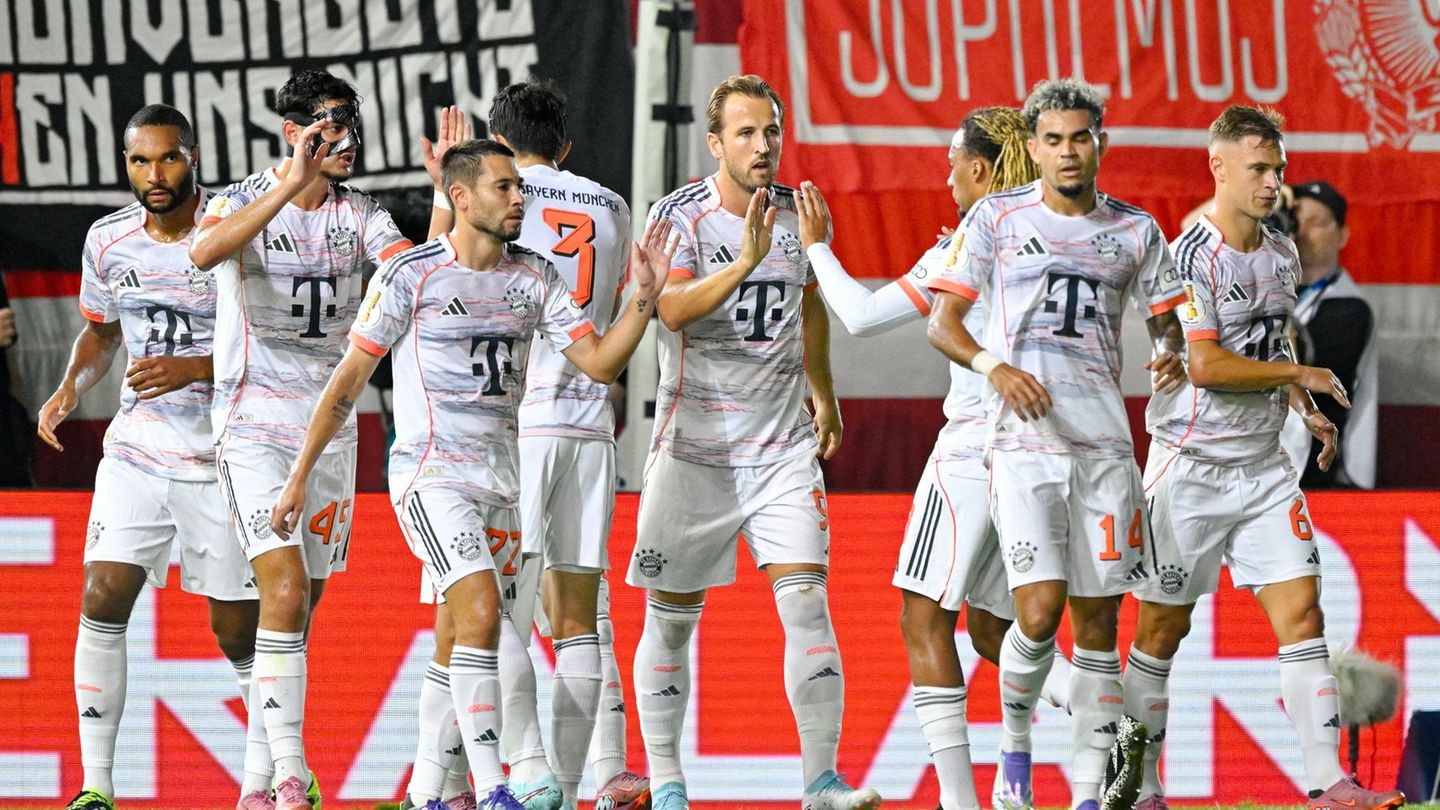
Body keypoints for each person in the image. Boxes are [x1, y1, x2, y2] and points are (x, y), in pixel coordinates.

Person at [270, 138, 673, 810]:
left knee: (461, 632)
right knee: (485, 611)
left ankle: (430, 790)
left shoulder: (533, 277)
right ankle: (505, 781)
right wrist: (298, 476)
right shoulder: (411, 276)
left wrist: (642, 301)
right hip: (431, 478)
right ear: (461, 197)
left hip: (502, 483)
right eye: (505, 188)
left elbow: (600, 364)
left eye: (520, 187)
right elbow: (347, 381)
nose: (521, 199)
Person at [797, 107, 1074, 810]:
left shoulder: (964, 249)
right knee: (989, 626)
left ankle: (958, 803)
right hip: (1044, 449)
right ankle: (1113, 709)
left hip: (974, 452)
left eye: (953, 162)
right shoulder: (1053, 236)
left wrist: (817, 248)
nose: (945, 175)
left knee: (922, 616)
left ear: (979, 170)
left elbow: (857, 317)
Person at [923, 78, 1188, 810]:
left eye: (1081, 138)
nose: (1068, 152)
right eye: (1054, 139)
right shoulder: (997, 220)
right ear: (1034, 147)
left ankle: (1087, 796)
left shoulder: (1136, 231)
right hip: (1024, 447)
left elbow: (1169, 321)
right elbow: (942, 324)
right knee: (1035, 614)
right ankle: (1015, 749)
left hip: (1105, 450)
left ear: (1098, 143)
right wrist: (994, 367)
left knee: (1098, 625)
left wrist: (1171, 351)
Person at [1133, 107, 1405, 810]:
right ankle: (1140, 784)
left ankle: (1329, 784)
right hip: (1189, 466)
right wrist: (1299, 379)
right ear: (1218, 167)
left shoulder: (1282, 253)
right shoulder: (1189, 254)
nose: (1273, 182)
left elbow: (1268, 343)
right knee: (1163, 627)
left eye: (1277, 167)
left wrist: (1302, 409)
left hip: (1261, 470)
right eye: (1259, 168)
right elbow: (1205, 365)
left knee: (1304, 615)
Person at [628, 74, 878, 810]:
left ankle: (820, 783)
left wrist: (824, 391)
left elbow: (810, 304)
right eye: (746, 133)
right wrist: (741, 260)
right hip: (692, 451)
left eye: (771, 130)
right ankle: (669, 784)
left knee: (807, 603)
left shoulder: (800, 211)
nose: (763, 145)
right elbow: (667, 310)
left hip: (780, 449)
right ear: (716, 144)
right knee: (670, 623)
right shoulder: (679, 216)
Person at [190, 69, 422, 810]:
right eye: (328, 125)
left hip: (330, 430)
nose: (346, 140)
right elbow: (202, 253)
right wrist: (290, 186)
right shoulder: (240, 198)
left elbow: (407, 271)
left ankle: (258, 783)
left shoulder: (363, 213)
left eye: (352, 124)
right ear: (293, 133)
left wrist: (441, 216)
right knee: (282, 589)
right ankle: (292, 777)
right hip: (254, 421)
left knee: (299, 606)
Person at [37, 105, 259, 810]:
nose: (153, 175)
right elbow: (102, 334)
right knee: (101, 596)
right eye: (139, 161)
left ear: (193, 157)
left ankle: (277, 775)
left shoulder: (233, 232)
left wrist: (195, 370)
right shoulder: (108, 240)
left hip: (221, 456)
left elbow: (278, 350)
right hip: (136, 449)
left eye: (167, 158)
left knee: (236, 632)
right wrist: (72, 385)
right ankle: (97, 786)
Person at [1281, 180, 1377, 489]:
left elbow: (1301, 367)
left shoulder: (1351, 309)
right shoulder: (1273, 289)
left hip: (1322, 471)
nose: (1303, 233)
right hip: (1275, 466)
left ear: (1343, 236)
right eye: (1296, 221)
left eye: (1317, 222)